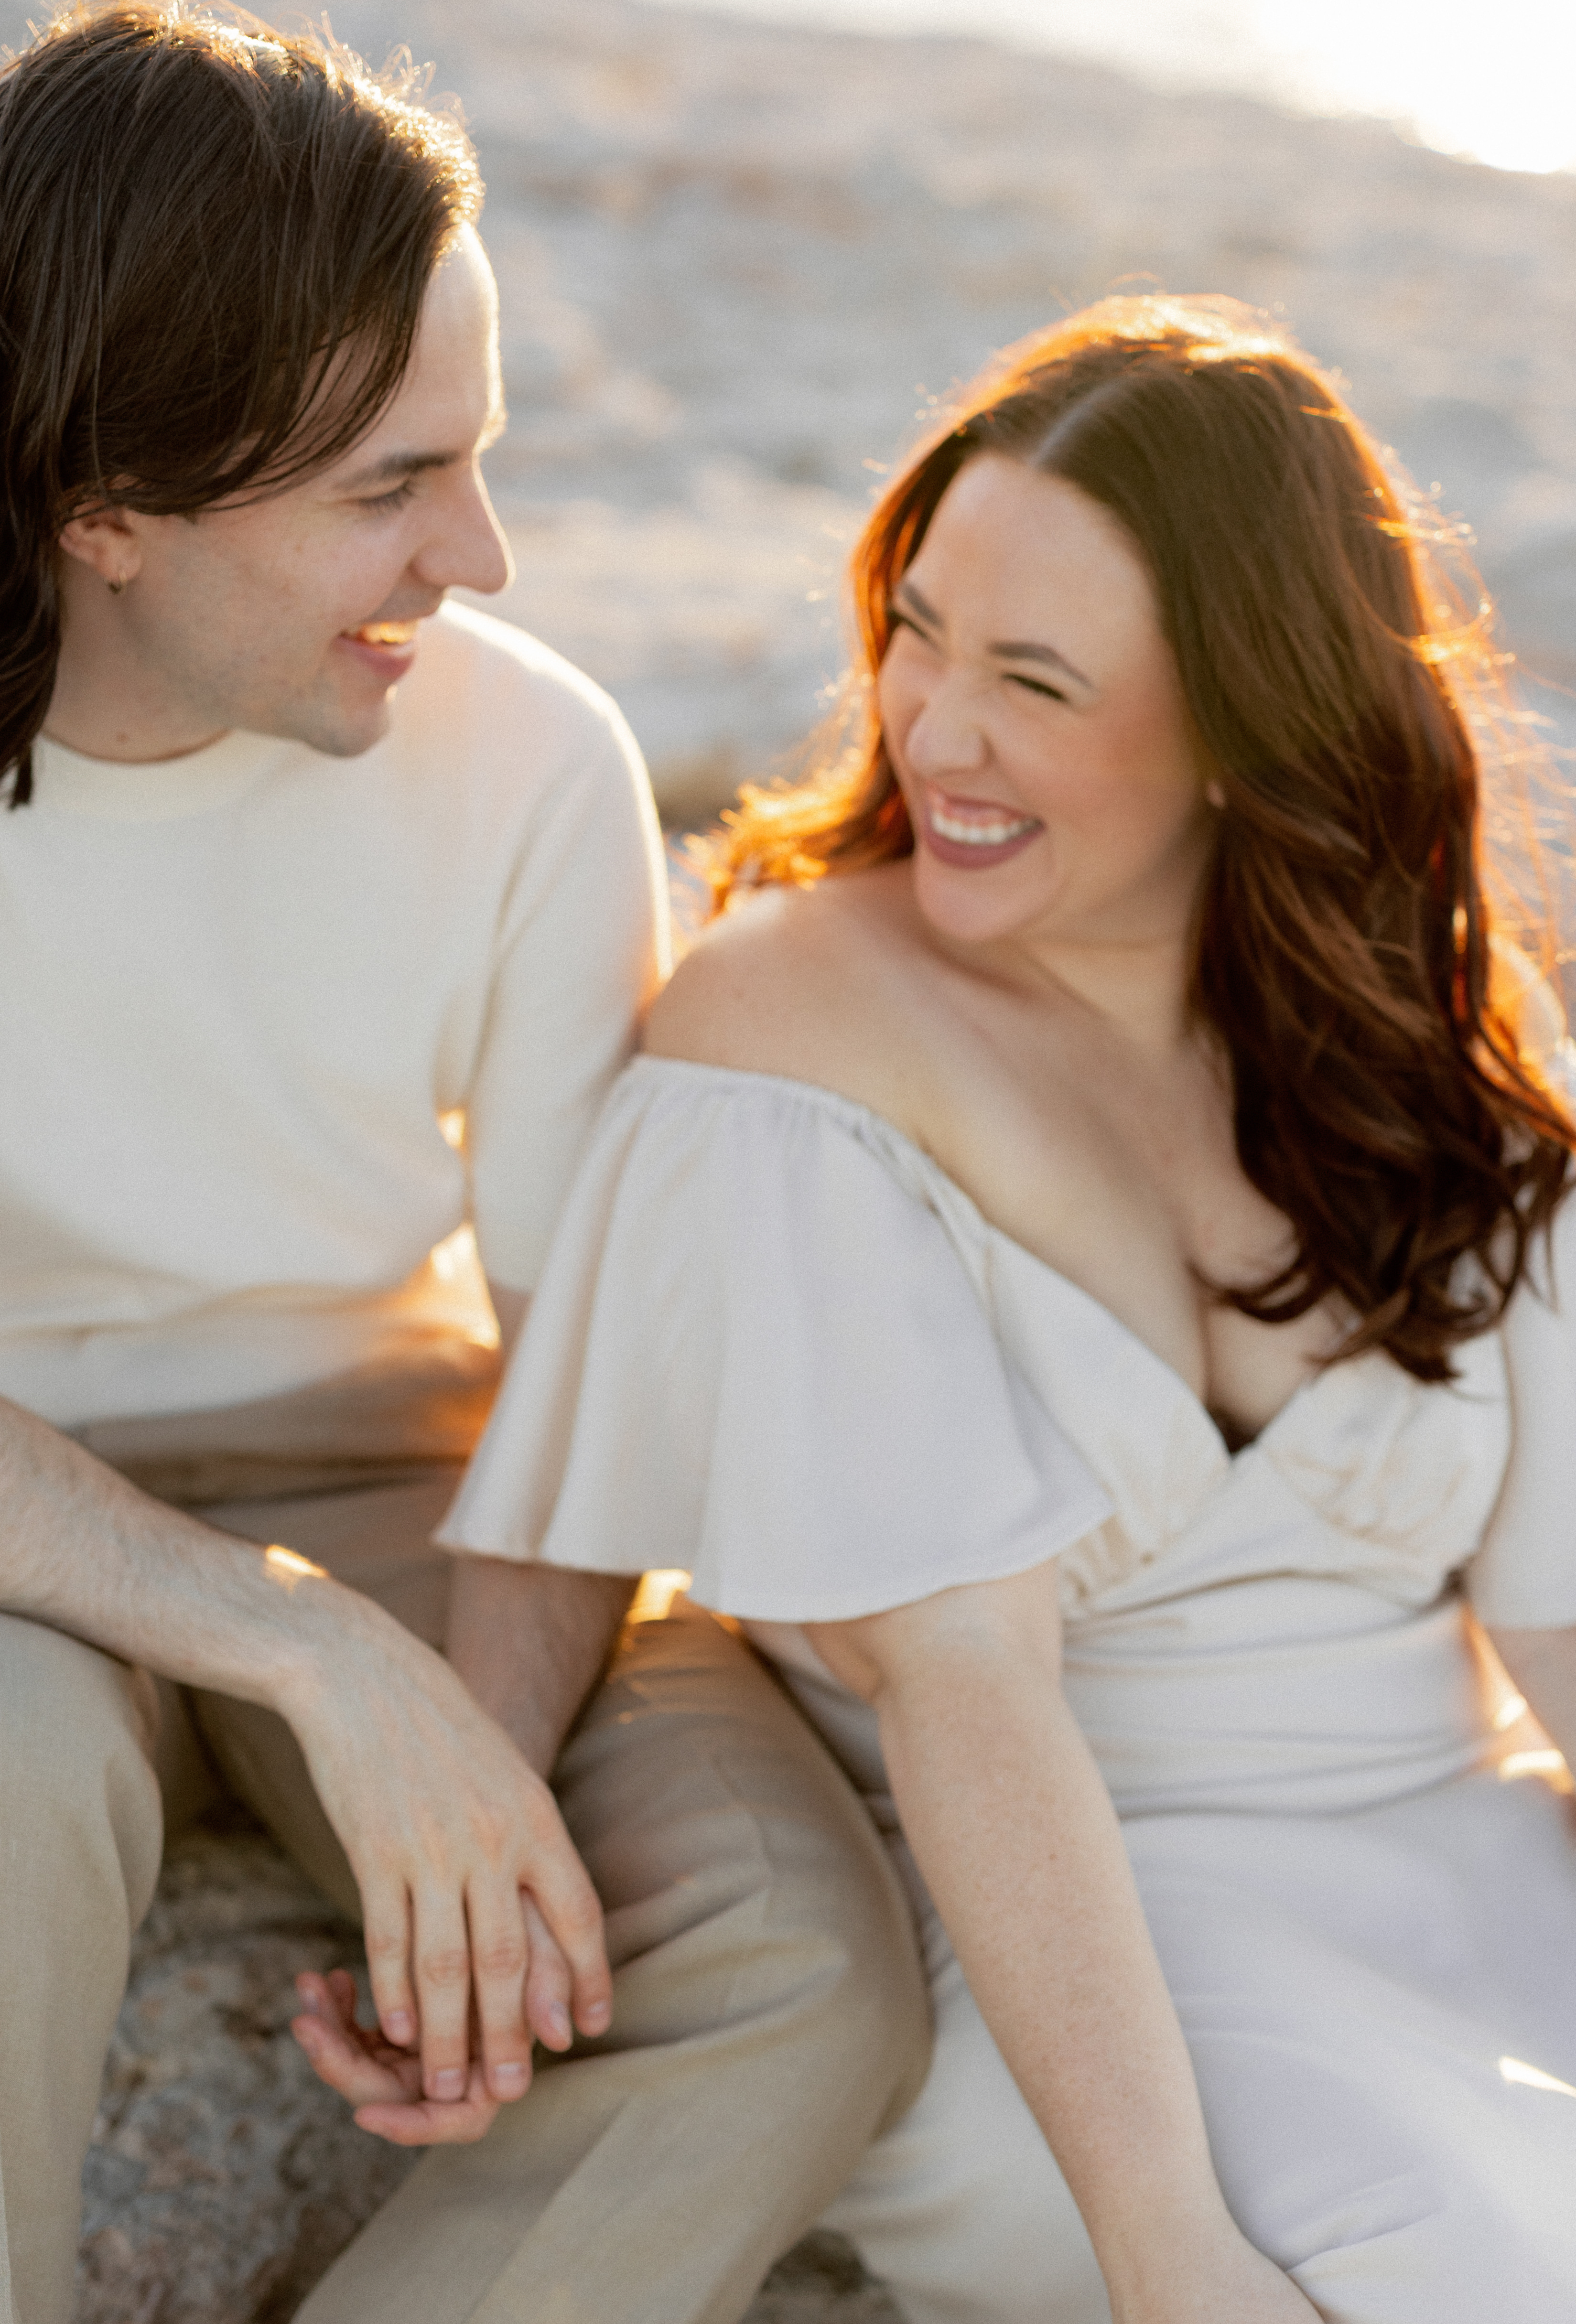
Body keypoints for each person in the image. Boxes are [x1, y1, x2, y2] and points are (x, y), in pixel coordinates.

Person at [443, 292, 1576, 2323]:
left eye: (1033, 680)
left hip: (1481, 1877)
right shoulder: (793, 1042)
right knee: (1472, 2262)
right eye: (921, 627)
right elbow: (971, 1690)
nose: (931, 726)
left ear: (1244, 727)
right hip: (1070, 1945)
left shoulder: (1442, 1048)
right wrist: (1170, 2256)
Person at [0, 11, 927, 2324]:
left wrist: (470, 1771)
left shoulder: (530, 766)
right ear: (105, 512)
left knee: (799, 1962)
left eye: (482, 459)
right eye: (391, 485)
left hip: (404, 1465)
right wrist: (290, 1654)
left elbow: (576, 1355)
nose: (481, 555)